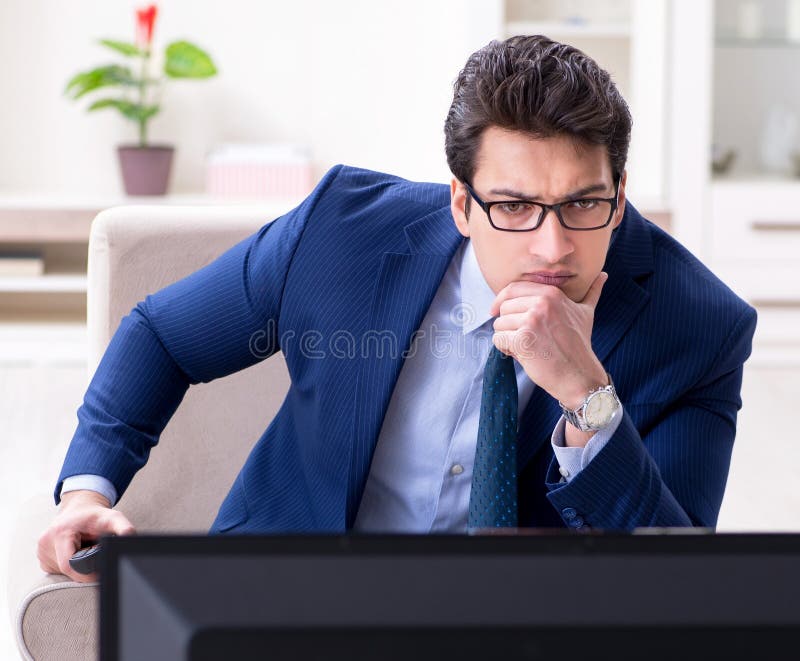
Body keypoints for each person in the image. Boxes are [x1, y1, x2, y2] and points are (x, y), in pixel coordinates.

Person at [38, 35, 757, 582]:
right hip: (288, 602)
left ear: (620, 194)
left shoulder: (698, 327)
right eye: (512, 206)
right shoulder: (343, 232)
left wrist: (588, 395)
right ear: (460, 202)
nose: (553, 244)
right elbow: (162, 336)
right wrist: (84, 493)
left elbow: (679, 579)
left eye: (583, 203)